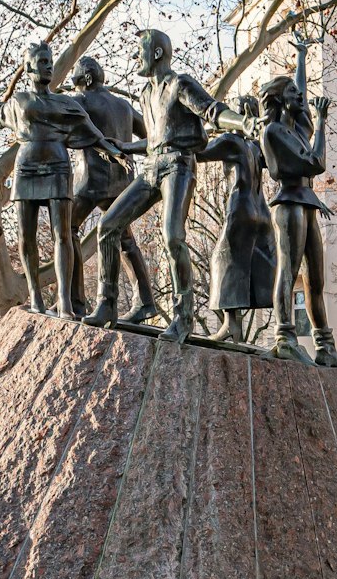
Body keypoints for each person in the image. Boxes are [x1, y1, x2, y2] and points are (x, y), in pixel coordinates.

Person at [86, 28, 254, 344]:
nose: (135, 56)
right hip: (151, 167)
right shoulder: (146, 95)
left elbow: (212, 111)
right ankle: (106, 304)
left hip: (178, 165)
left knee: (172, 235)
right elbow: (155, 139)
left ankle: (183, 316)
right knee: (108, 226)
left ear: (158, 53)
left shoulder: (180, 83)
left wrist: (242, 122)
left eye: (139, 50)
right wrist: (123, 146)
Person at [0, 41, 125, 317]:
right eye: (43, 61)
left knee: (63, 234)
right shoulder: (19, 101)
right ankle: (36, 298)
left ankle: (65, 302)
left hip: (57, 167)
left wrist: (113, 151)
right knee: (25, 237)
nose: (49, 66)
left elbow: (92, 133)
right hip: (26, 169)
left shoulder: (65, 103)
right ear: (28, 67)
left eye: (50, 61)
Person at [261, 32, 337, 367]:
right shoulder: (275, 132)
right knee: (289, 269)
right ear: (280, 100)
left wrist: (303, 57)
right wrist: (322, 123)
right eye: (292, 94)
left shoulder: (296, 126)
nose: (301, 97)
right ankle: (285, 335)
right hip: (289, 203)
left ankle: (325, 344)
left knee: (316, 279)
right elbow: (316, 163)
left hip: (306, 203)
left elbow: (302, 92)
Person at [69, 57, 160, 324]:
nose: (76, 86)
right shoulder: (123, 106)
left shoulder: (80, 101)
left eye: (76, 80)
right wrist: (127, 148)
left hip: (91, 181)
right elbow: (153, 136)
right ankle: (144, 301)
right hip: (123, 180)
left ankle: (77, 302)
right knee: (125, 240)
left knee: (67, 229)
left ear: (86, 79)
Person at [199, 95, 276, 343]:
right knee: (251, 262)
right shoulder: (258, 147)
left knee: (224, 260)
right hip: (262, 212)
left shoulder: (232, 142)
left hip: (241, 208)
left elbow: (199, 152)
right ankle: (244, 329)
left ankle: (231, 324)